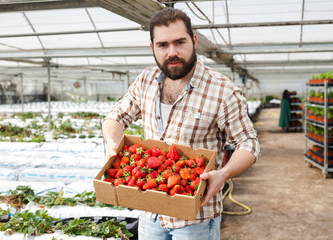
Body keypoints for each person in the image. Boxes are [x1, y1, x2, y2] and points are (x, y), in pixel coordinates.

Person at [101, 8, 260, 240]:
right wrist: (113, 143)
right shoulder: (145, 80)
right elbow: (115, 117)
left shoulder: (223, 90)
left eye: (180, 42)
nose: (172, 52)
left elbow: (249, 142)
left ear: (194, 41)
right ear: (153, 47)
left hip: (196, 217)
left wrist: (223, 174)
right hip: (150, 210)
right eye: (163, 45)